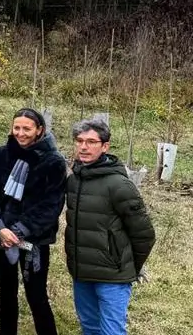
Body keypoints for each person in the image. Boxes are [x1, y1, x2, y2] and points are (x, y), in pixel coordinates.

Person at [0, 108, 67, 335]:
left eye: (27, 128)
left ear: (39, 130)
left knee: (36, 296)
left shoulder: (53, 162)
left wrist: (18, 230)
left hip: (33, 241)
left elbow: (51, 205)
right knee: (5, 292)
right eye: (17, 127)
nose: (21, 133)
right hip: (1, 238)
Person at [66, 117, 154, 335]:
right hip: (82, 273)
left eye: (91, 142)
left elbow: (144, 234)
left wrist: (128, 267)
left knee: (111, 331)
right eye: (79, 141)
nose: (84, 147)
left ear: (105, 146)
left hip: (112, 277)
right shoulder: (75, 180)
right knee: (90, 327)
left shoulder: (119, 185)